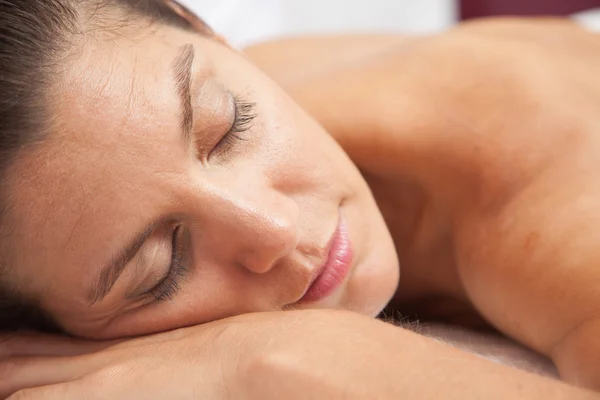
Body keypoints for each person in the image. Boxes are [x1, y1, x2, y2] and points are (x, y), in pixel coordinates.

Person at [0, 0, 600, 398]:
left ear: (205, 27)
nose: (276, 228)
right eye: (161, 268)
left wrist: (265, 360)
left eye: (228, 127)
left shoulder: (551, 192)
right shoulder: (99, 149)